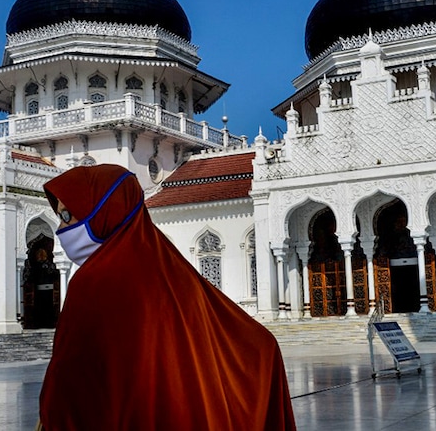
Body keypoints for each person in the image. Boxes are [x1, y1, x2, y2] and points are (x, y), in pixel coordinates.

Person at [39, 164, 296, 430]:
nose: (61, 229)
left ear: (104, 211)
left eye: (68, 215)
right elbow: (255, 342)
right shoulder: (171, 268)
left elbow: (67, 387)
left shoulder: (93, 282)